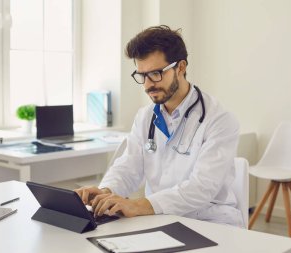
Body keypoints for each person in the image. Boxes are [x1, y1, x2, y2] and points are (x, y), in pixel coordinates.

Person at [75, 25, 243, 227]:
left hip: (210, 221)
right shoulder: (145, 117)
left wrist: (138, 205)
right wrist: (107, 191)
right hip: (158, 220)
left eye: (155, 73)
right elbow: (129, 167)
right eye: (142, 75)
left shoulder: (219, 120)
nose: (147, 85)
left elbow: (202, 188)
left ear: (180, 67)